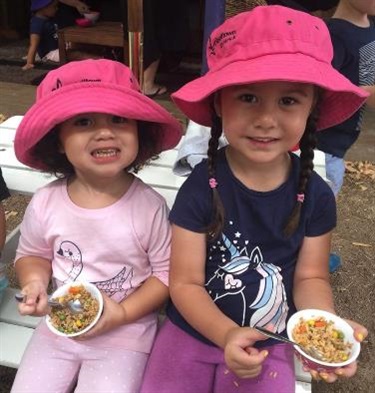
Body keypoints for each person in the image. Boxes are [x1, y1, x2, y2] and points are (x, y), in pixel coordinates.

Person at [140, 6, 368, 392]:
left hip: (270, 341)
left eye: (289, 101)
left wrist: (322, 323)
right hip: (192, 330)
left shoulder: (315, 194)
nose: (267, 119)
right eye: (248, 97)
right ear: (218, 104)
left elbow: (311, 275)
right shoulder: (202, 186)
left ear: (313, 106)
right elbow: (185, 283)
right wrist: (226, 333)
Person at [11, 59, 182, 393]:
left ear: (138, 132)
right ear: (57, 139)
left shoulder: (148, 207)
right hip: (59, 322)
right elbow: (32, 254)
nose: (105, 132)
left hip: (126, 331)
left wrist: (122, 313)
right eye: (84, 121)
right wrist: (34, 283)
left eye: (119, 119)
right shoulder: (47, 201)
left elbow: (165, 275)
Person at [317, 0, 375, 197]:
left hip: (342, 144)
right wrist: (364, 93)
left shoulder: (370, 27)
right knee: (316, 208)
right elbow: (316, 92)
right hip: (322, 147)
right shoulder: (332, 36)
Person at [23, 0, 90, 71]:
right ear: (43, 7)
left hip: (60, 46)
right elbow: (33, 45)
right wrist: (29, 63)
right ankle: (100, 59)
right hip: (50, 54)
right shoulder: (37, 23)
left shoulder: (50, 17)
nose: (57, 9)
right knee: (75, 54)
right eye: (54, 7)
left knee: (81, 45)